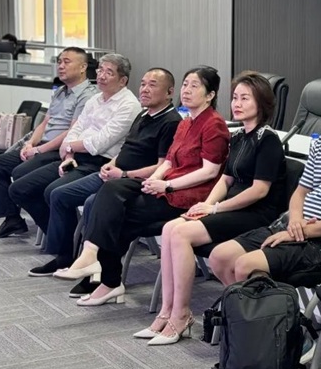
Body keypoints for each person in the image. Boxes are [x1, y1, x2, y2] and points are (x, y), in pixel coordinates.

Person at [209, 64, 321, 305]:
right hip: (294, 228)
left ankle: (269, 323)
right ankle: (255, 318)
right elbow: (300, 192)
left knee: (245, 266)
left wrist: (303, 231)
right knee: (219, 257)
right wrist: (295, 222)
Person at [136, 71, 286, 345]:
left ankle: (181, 315)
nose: (237, 103)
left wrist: (217, 209)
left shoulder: (268, 139)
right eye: (235, 98)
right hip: (230, 208)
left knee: (181, 234)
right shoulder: (239, 136)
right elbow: (226, 180)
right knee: (170, 228)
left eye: (245, 98)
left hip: (256, 214)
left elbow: (259, 191)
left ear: (262, 102)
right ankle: (166, 311)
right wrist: (207, 204)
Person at [59, 66, 230, 307]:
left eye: (195, 86)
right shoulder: (186, 123)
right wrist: (154, 180)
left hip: (188, 195)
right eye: (185, 84)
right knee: (111, 194)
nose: (187, 90)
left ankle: (106, 277)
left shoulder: (214, 124)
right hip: (166, 186)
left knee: (117, 214)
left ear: (210, 95)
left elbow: (209, 171)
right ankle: (97, 264)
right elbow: (168, 161)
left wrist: (166, 184)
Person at [28, 68, 182, 278]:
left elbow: (163, 165)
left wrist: (124, 173)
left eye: (152, 85)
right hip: (113, 172)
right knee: (57, 194)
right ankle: (67, 256)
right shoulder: (143, 114)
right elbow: (126, 149)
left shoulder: (171, 122)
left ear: (170, 92)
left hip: (133, 180)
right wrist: (111, 164)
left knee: (90, 201)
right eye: (143, 84)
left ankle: (94, 266)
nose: (145, 89)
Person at [0, 53, 140, 239]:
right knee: (16, 186)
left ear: (123, 80)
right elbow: (75, 129)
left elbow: (97, 143)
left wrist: (64, 148)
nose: (101, 75)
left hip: (98, 161)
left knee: (50, 190)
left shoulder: (126, 104)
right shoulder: (93, 99)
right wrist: (61, 151)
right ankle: (57, 237)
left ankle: (67, 243)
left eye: (109, 72)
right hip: (72, 155)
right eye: (100, 70)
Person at [0, 47, 97, 239]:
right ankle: (13, 219)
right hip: (41, 145)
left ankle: (58, 232)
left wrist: (38, 150)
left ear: (83, 67)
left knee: (21, 174)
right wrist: (30, 144)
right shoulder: (60, 92)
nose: (61, 66)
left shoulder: (88, 96)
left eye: (67, 62)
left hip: (59, 150)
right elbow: (45, 123)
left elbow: (72, 132)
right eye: (59, 62)